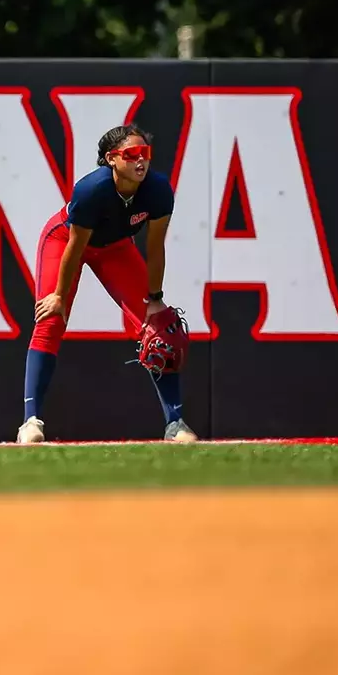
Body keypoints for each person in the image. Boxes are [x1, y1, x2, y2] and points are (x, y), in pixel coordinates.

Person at [19, 125, 198, 444]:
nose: (140, 161)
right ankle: (30, 422)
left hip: (114, 247)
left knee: (159, 328)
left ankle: (175, 423)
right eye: (131, 155)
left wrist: (155, 299)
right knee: (50, 319)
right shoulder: (92, 189)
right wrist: (59, 296)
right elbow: (75, 247)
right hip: (65, 240)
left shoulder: (157, 190)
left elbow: (155, 248)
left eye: (145, 154)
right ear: (111, 159)